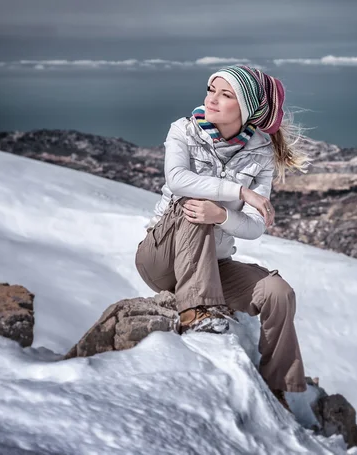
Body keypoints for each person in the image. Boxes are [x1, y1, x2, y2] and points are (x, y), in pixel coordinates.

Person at [134, 64, 312, 409]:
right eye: (210, 89)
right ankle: (197, 312)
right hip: (161, 257)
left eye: (225, 94)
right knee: (194, 202)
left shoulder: (260, 153)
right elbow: (177, 180)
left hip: (214, 264)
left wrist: (224, 216)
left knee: (278, 292)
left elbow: (256, 227)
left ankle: (277, 384)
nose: (211, 99)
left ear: (246, 109)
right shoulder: (184, 131)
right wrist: (239, 193)